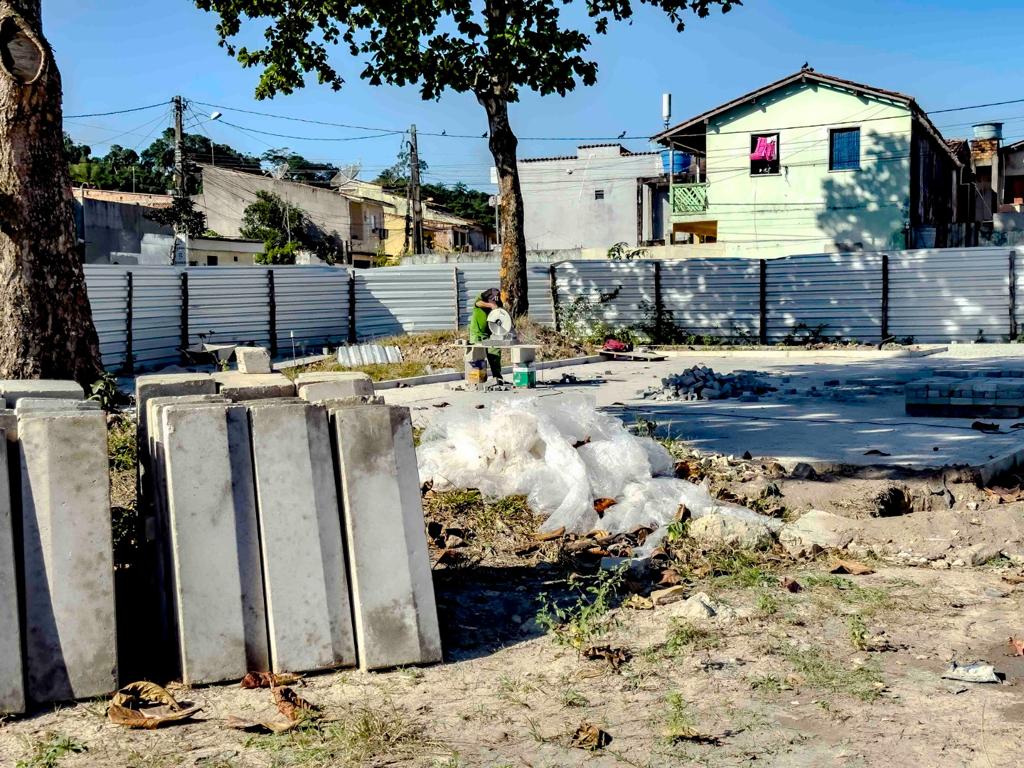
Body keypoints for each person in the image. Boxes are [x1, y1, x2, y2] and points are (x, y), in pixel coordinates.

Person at [469, 287, 504, 383]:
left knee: (495, 352)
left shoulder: (497, 304)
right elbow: (478, 303)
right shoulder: (480, 300)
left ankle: (497, 377)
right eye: (491, 298)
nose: (493, 300)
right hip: (477, 334)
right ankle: (477, 380)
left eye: (495, 298)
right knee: (478, 357)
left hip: (490, 334)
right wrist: (490, 305)